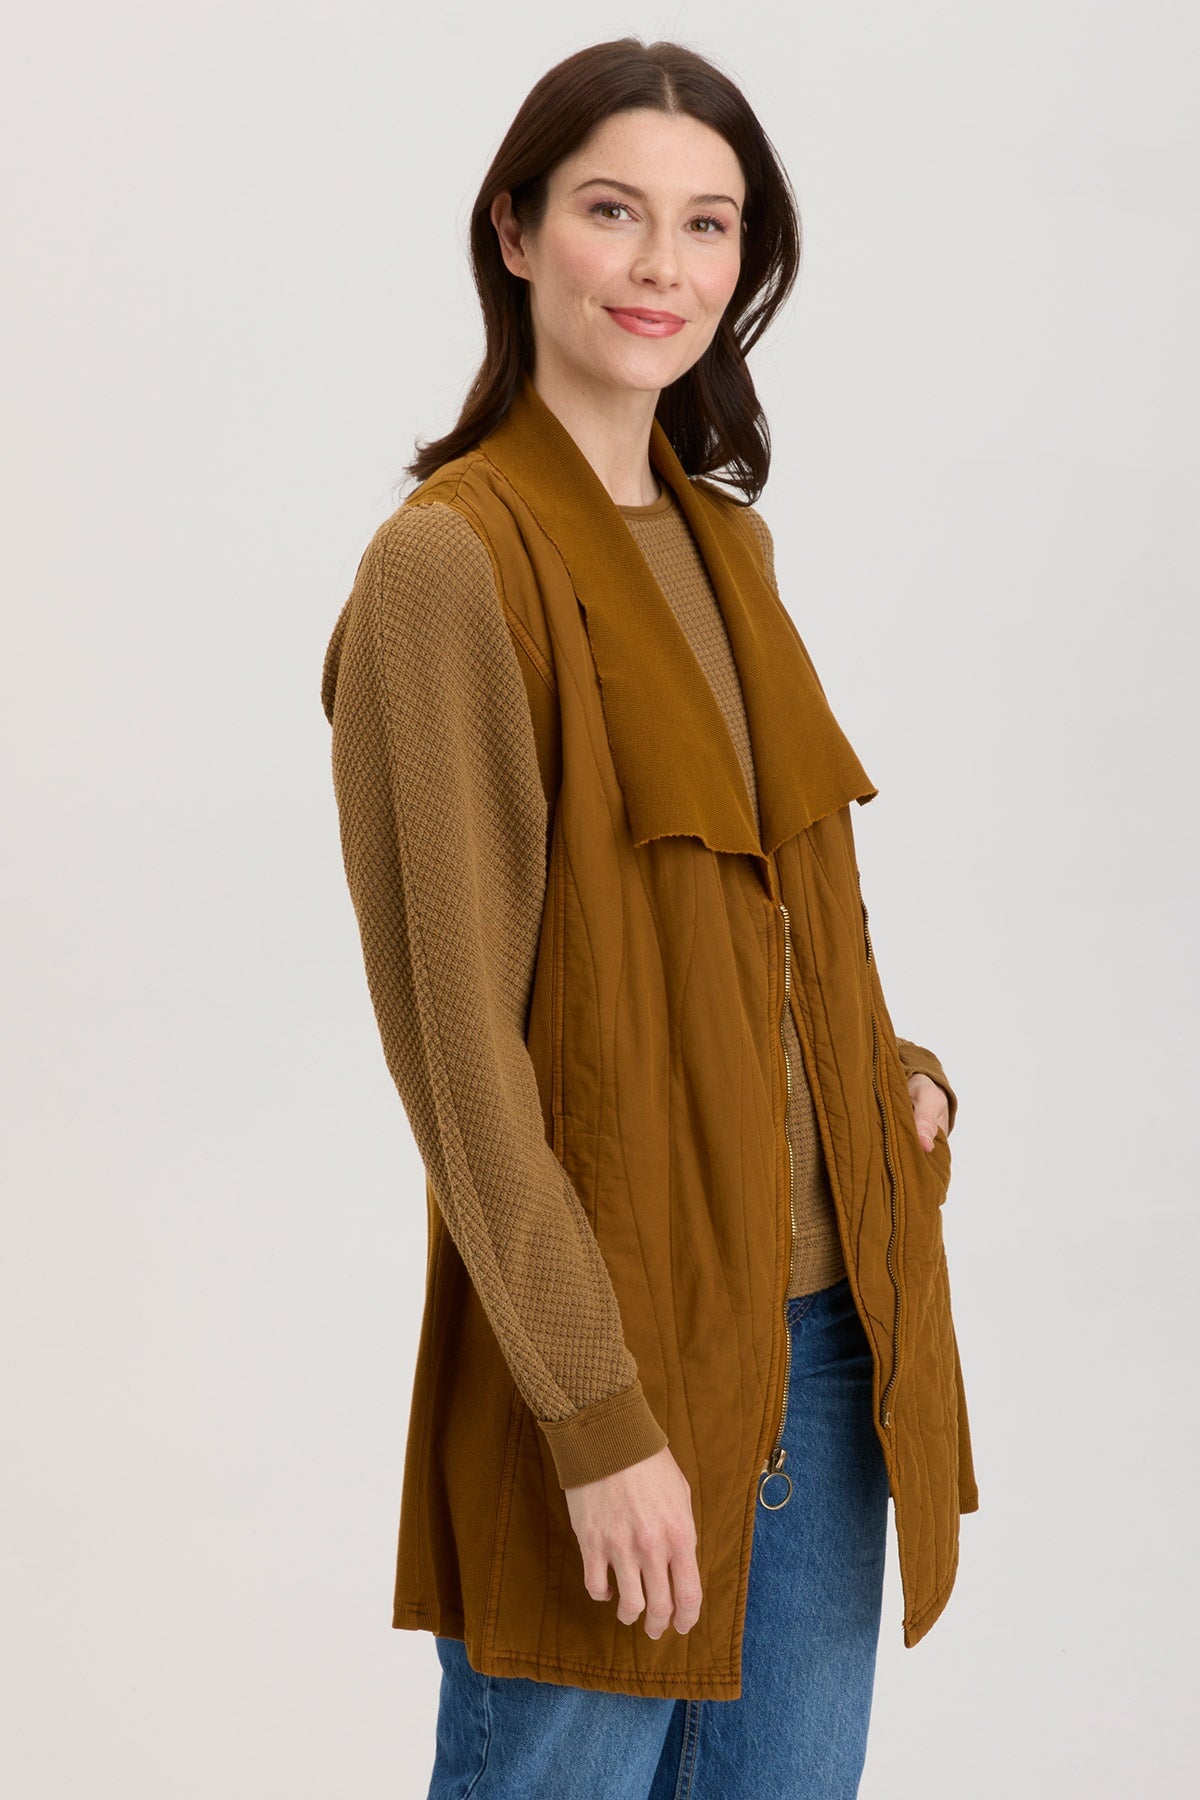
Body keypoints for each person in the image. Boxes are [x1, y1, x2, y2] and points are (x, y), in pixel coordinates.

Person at [320, 35, 978, 1800]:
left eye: (708, 224)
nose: (662, 266)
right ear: (516, 230)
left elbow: (771, 923)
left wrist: (891, 1074)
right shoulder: (450, 567)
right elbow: (460, 1052)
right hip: (608, 1360)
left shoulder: (728, 549)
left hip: (828, 1353)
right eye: (614, 211)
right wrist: (593, 1414)